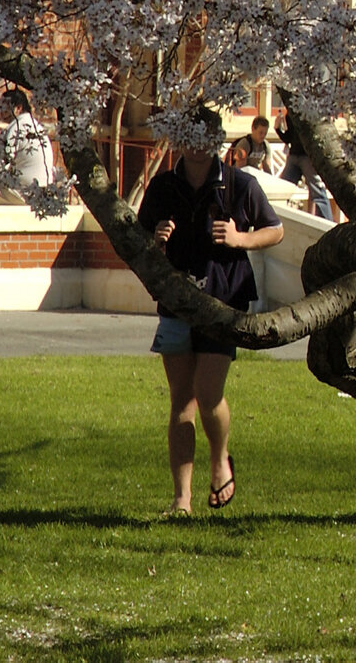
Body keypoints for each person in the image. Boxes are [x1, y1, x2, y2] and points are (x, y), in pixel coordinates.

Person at [136, 111, 286, 514]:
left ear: (217, 141)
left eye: (205, 138)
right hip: (175, 300)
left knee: (207, 393)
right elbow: (137, 238)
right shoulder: (164, 186)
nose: (197, 146)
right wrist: (155, 239)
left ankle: (220, 460)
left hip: (224, 300)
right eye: (188, 136)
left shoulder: (240, 185)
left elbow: (275, 230)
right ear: (179, 140)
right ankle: (181, 500)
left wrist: (240, 239)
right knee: (181, 401)